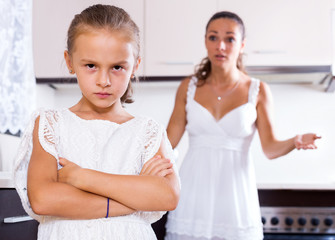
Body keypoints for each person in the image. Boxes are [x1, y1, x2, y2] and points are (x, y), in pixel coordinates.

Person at [13, 4, 180, 240]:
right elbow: (43, 199)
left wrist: (82, 177)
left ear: (135, 66)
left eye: (117, 67)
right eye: (91, 65)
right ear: (69, 61)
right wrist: (135, 198)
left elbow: (167, 196)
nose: (104, 80)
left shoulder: (147, 131)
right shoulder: (50, 124)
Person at [164, 11, 320, 240]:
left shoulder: (258, 90)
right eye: (213, 37)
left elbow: (270, 148)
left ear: (242, 44)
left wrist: (295, 142)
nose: (221, 46)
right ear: (205, 41)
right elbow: (167, 143)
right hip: (194, 191)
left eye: (230, 39)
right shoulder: (188, 87)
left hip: (236, 197)